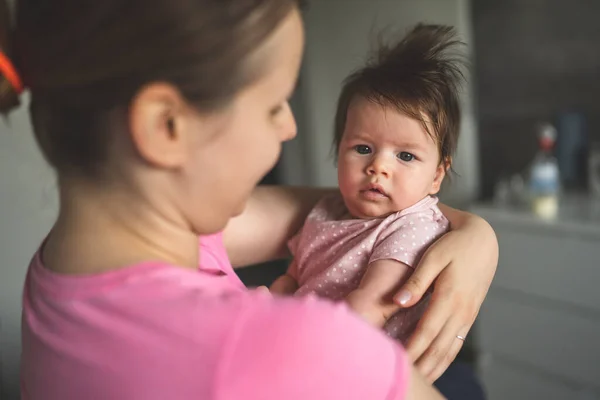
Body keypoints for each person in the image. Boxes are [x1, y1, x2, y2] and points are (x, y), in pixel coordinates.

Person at [0, 0, 497, 398]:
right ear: (167, 126)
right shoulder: (310, 348)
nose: (291, 126)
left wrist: (470, 231)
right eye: (273, 105)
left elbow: (345, 213)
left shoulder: (62, 269)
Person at [270, 24, 463, 345]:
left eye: (405, 155)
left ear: (437, 176)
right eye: (363, 149)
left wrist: (300, 335)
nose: (378, 167)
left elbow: (371, 306)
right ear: (339, 149)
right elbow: (297, 275)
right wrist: (278, 296)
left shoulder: (411, 228)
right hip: (307, 338)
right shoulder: (327, 211)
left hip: (359, 355)